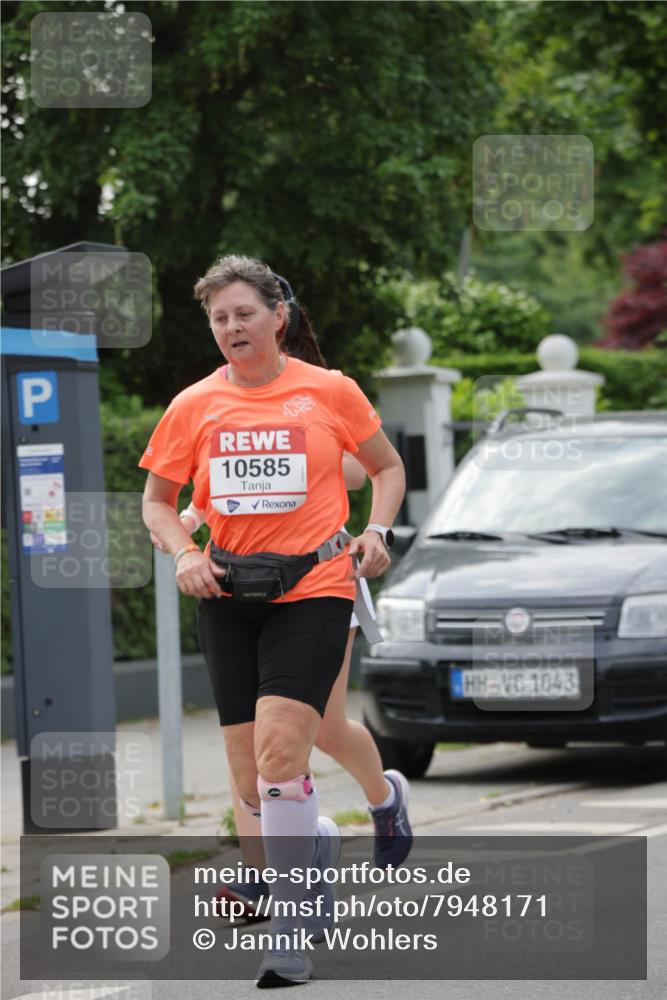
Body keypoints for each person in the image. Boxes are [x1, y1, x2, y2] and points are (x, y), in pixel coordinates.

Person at [140, 255, 406, 987]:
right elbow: (159, 502)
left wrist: (376, 534)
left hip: (316, 585)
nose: (231, 328)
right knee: (249, 781)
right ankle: (312, 845)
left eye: (243, 313)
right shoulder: (193, 405)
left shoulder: (328, 391)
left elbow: (385, 468)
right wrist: (183, 550)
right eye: (219, 319)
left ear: (276, 316)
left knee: (285, 750)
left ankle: (289, 927)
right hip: (228, 594)